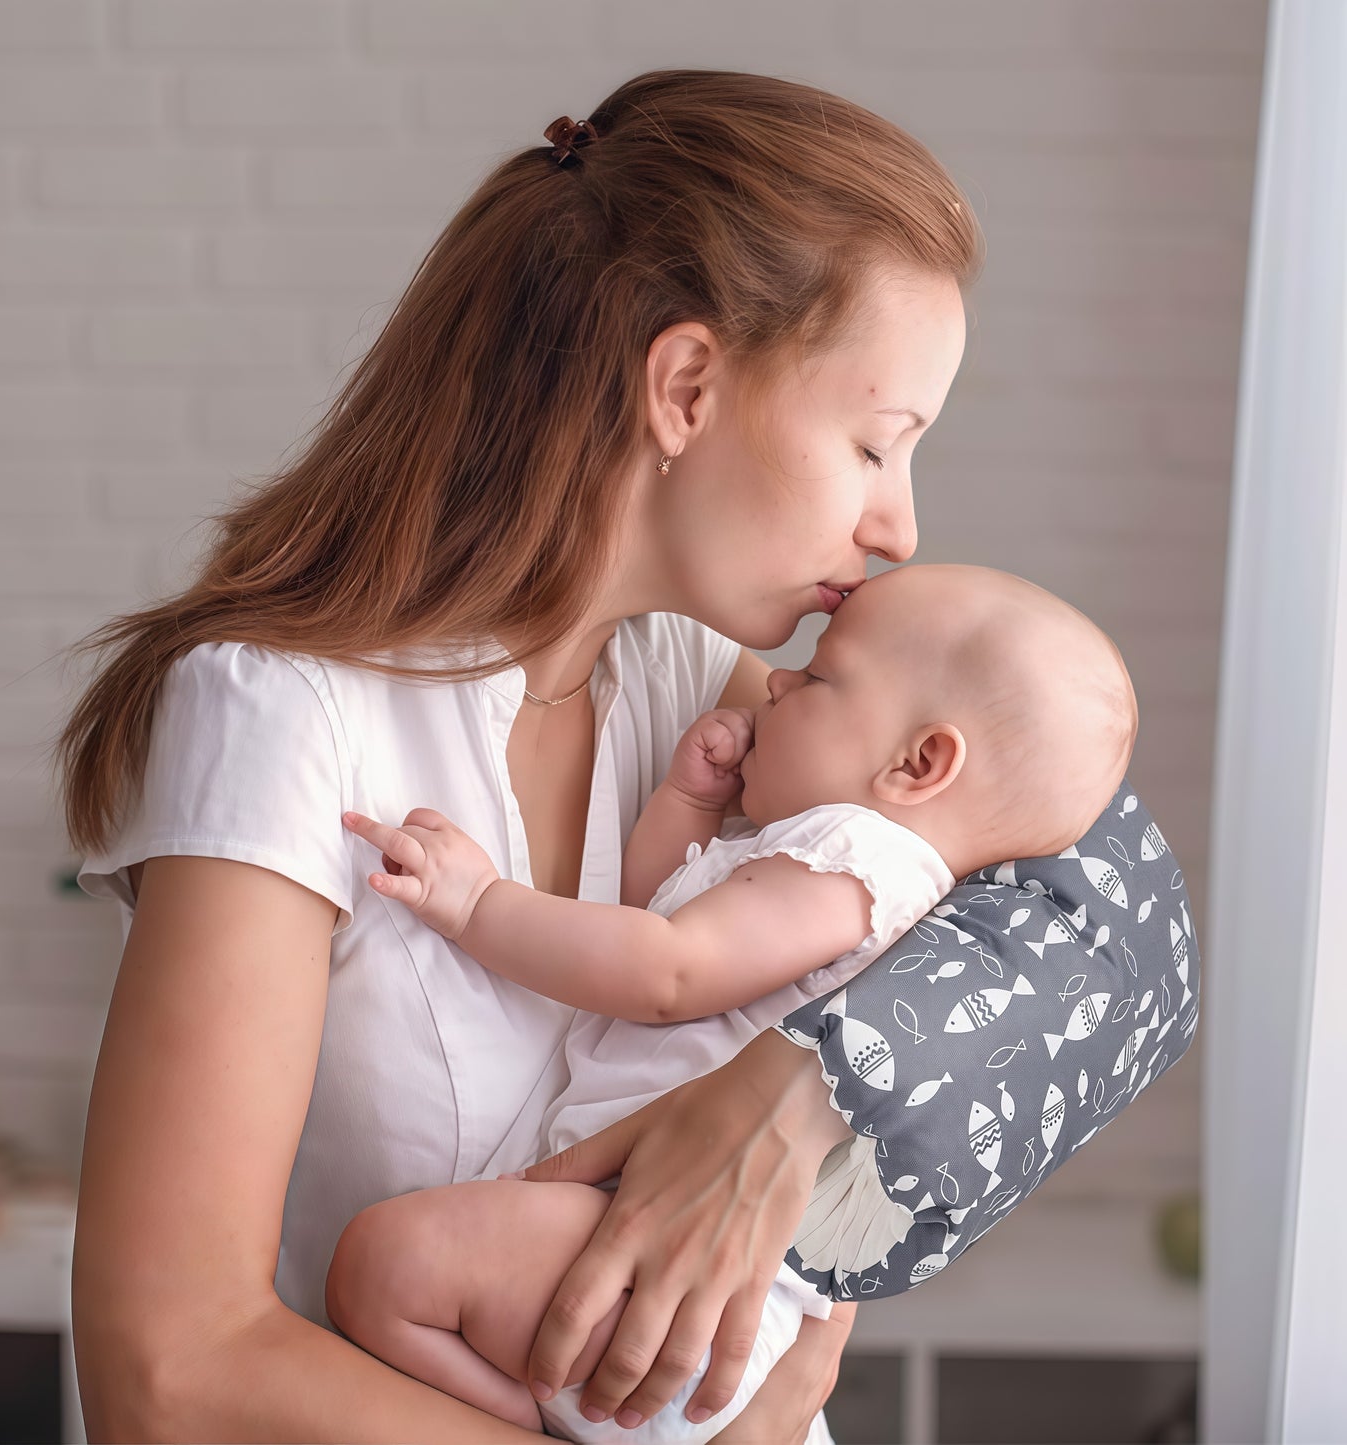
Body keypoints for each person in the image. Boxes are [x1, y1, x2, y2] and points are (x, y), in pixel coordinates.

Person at [56, 69, 1001, 1441]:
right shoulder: (283, 716)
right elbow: (168, 1370)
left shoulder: (717, 700)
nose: (898, 529)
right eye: (873, 444)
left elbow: (1103, 929)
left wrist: (796, 1100)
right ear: (684, 386)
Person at [324, 564, 1136, 1440]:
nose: (776, 681)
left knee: (385, 1267)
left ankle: (522, 1418)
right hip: (661, 1260)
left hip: (662, 1269)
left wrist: (479, 905)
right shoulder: (816, 855)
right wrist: (689, 805)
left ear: (917, 762)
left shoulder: (859, 861)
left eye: (818, 677)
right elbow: (660, 917)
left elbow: (666, 972)